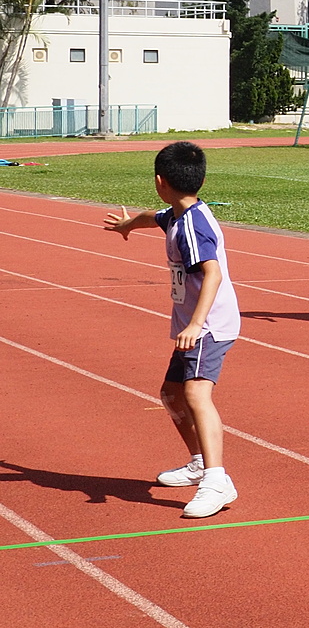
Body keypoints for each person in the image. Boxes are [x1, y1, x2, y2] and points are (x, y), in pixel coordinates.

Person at [102, 141, 244, 520]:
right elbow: (155, 217)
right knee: (171, 393)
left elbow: (212, 274)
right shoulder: (179, 215)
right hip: (194, 324)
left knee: (196, 393)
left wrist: (196, 324)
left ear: (159, 181)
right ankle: (199, 461)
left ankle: (216, 481)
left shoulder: (193, 228)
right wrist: (128, 225)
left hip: (208, 325)